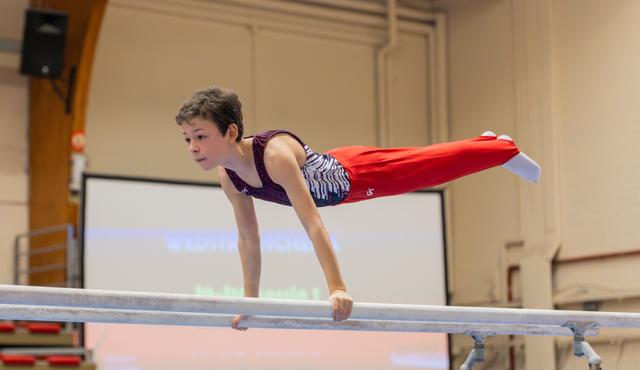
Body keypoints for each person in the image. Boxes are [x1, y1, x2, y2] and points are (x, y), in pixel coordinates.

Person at [175, 86, 540, 330]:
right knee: (430, 163)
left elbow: (312, 223)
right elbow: (248, 238)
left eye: (201, 137)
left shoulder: (274, 157)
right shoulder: (229, 176)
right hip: (343, 172)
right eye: (188, 139)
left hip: (358, 174)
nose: (193, 147)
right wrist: (249, 301)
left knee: (431, 166)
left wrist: (337, 287)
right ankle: (487, 144)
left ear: (232, 132)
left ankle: (499, 148)